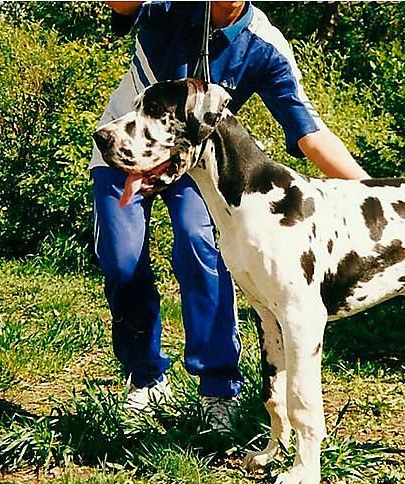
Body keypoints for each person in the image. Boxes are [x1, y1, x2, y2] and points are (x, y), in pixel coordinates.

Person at [92, 1, 370, 431]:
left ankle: (218, 389)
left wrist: (377, 195)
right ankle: (144, 379)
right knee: (121, 258)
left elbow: (310, 135)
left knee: (201, 248)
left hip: (195, 162)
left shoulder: (262, 44)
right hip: (125, 147)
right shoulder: (169, 7)